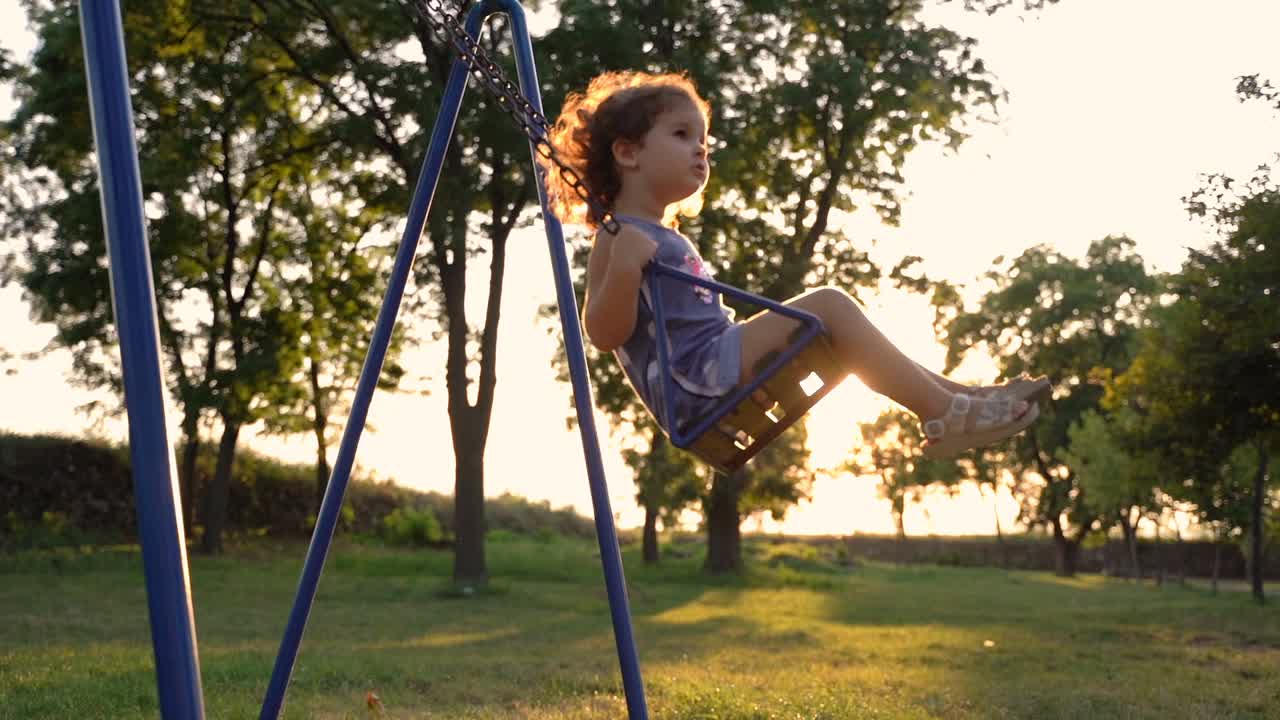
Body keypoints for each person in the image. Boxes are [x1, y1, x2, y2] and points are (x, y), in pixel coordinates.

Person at [541, 70, 1046, 458]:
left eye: (705, 142)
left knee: (840, 331)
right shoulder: (618, 237)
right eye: (681, 134)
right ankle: (944, 411)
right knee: (829, 305)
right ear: (627, 153)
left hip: (714, 365)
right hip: (695, 382)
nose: (700, 149)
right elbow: (603, 333)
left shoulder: (660, 236)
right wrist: (625, 268)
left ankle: (964, 401)